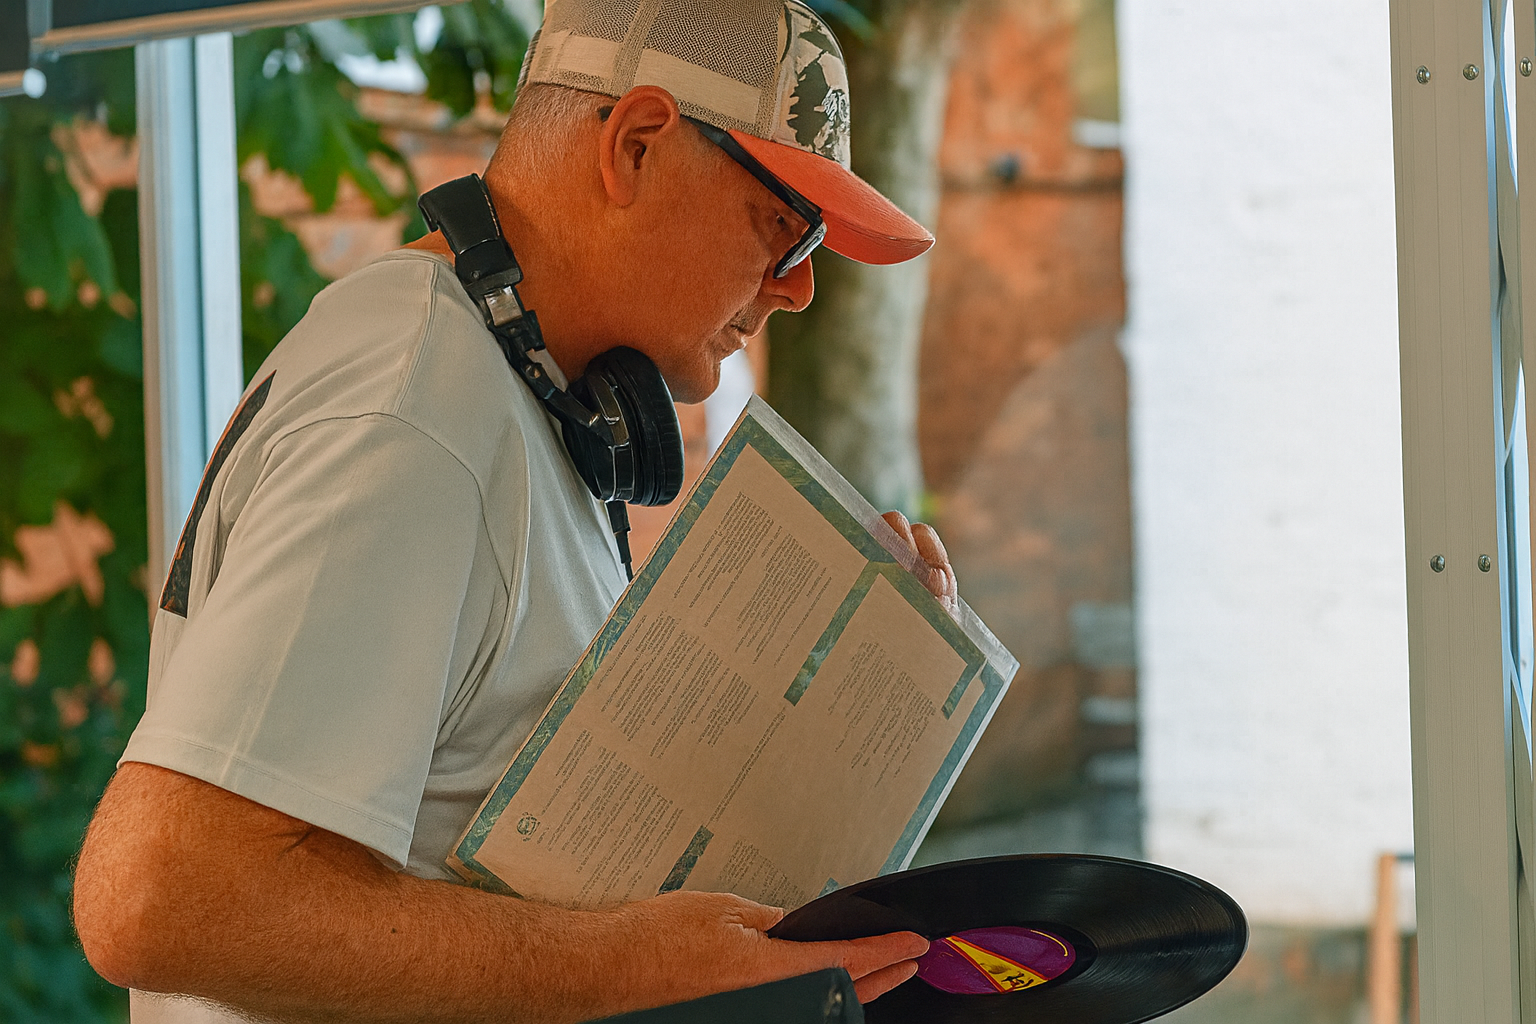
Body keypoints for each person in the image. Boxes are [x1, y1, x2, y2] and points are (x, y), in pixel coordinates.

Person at [73, 2, 960, 1021]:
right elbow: (158, 898)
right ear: (634, 145)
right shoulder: (416, 407)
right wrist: (633, 969)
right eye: (783, 226)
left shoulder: (503, 396)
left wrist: (821, 703)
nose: (797, 289)